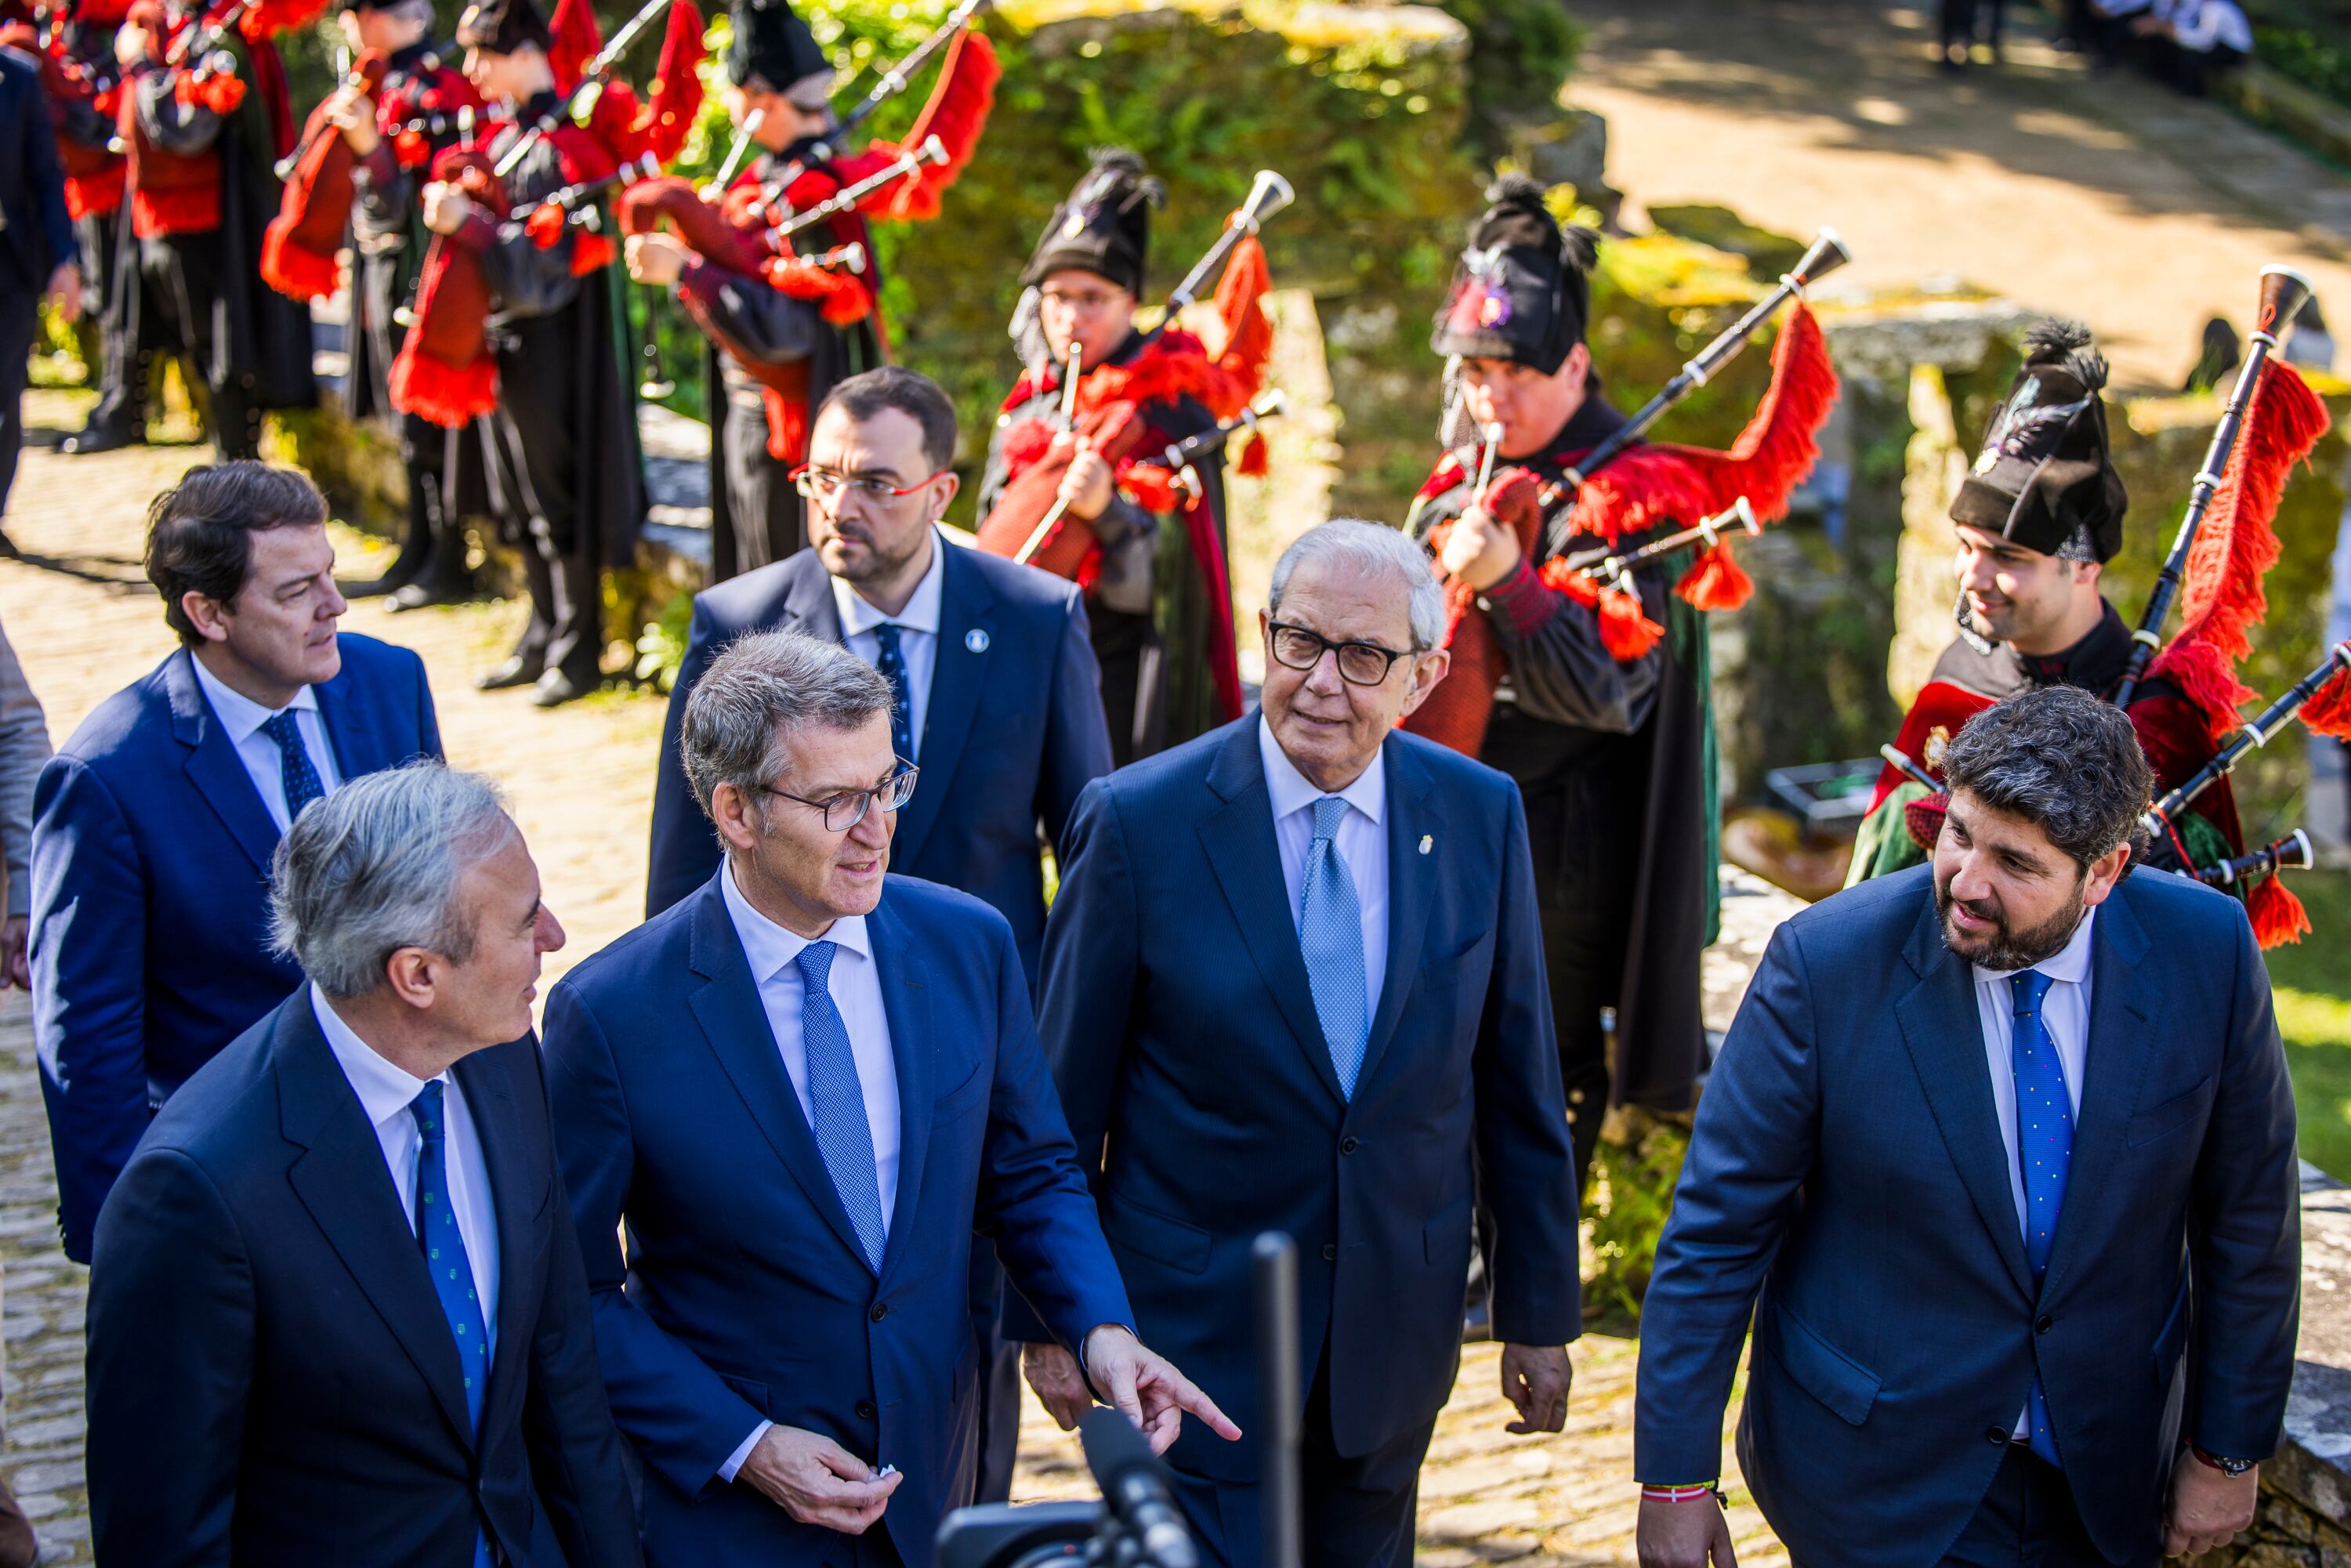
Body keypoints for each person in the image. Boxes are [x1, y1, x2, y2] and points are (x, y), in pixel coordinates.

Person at [544, 628, 1231, 1566]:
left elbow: (1029, 1174)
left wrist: (1100, 1328)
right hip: (733, 1523)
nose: (877, 828)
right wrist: (744, 1446)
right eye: (836, 801)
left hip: (935, 1485)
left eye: (886, 785)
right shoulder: (610, 1013)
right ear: (736, 811)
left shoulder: (970, 945)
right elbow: (576, 1293)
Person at [1017, 520, 1581, 1567]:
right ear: (1265, 637)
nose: (1324, 681)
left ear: (1424, 675)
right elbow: (1056, 1110)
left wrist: (1537, 1311)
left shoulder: (1477, 816)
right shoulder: (1139, 823)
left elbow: (1517, 1086)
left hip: (1391, 1345)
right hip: (1184, 1341)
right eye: (1299, 642)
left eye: (1363, 656)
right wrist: (1052, 1316)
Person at [1635, 686, 2297, 1568]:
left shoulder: (2208, 952)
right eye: (1959, 833)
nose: (1967, 882)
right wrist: (1677, 1479)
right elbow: (1717, 1234)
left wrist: (2228, 1449)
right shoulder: (1826, 964)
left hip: (2107, 1478)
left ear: (2103, 873)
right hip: (1872, 1483)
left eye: (2016, 864)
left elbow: (2251, 1222)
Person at [85, 763, 644, 1568]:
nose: (555, 937)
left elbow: (561, 1374)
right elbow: (165, 1535)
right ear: (417, 974)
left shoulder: (502, 1053)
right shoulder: (196, 1192)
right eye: (524, 923)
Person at [1403, 174, 1834, 1188]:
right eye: (1474, 373)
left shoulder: (1632, 501)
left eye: (1514, 372)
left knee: (1535, 1053)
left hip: (1562, 842)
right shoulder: (1462, 470)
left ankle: (1518, 1261)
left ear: (1577, 363)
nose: (1489, 396)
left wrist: (1510, 583)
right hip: (1451, 809)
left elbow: (1607, 691)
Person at [31, 462, 444, 1262]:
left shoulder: (393, 682)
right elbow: (89, 1039)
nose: (336, 606)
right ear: (207, 612)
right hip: (248, 1178)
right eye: (297, 592)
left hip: (420, 1132)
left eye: (330, 573)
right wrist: (131, 1243)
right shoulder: (108, 779)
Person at [646, 365, 1110, 983]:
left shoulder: (1038, 618)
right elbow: (685, 860)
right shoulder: (738, 623)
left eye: (874, 483)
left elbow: (1090, 850)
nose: (839, 506)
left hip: (986, 992)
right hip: (802, 995)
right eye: (824, 478)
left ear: (939, 494)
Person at [1846, 321, 2270, 903]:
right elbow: (1873, 893)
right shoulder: (1956, 677)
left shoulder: (2159, 728)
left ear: (2084, 566)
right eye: (1966, 546)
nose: (1971, 574)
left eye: (2007, 555)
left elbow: (2204, 941)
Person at [626, 0, 990, 585]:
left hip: (793, 434)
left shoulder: (813, 197)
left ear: (764, 99)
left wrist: (689, 274)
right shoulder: (772, 183)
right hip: (757, 417)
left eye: (737, 93)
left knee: (786, 588)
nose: (731, 106)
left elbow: (788, 331)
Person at [976, 148, 1252, 764]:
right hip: (1021, 647)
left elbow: (1175, 573)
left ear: (1131, 301)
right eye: (1056, 296)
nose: (1070, 316)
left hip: (1123, 667)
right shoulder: (1032, 396)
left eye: (1092, 297)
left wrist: (1105, 511)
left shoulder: (1173, 408)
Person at [422, 0, 642, 706]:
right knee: (518, 492)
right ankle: (543, 626)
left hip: (555, 347)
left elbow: (541, 274)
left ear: (522, 53)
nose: (471, 72)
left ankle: (578, 647)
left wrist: (474, 228)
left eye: (483, 56)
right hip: (505, 345)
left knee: (555, 493)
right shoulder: (509, 136)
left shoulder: (566, 152)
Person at [312, 0, 485, 608]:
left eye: (353, 14)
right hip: (384, 267)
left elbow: (419, 203)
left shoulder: (440, 91)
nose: (348, 28)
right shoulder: (382, 81)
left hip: (420, 273)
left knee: (428, 423)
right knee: (408, 425)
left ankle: (446, 557)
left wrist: (370, 146)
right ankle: (419, 546)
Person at [114, 0, 315, 460]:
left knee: (229, 336)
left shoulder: (227, 35)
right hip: (181, 219)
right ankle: (230, 452)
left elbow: (188, 126)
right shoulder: (190, 27)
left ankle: (239, 456)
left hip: (227, 218)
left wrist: (142, 67)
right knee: (204, 339)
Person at [0, 27, 82, 537]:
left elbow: (46, 177)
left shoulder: (20, 79)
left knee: (4, 393)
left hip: (9, 265)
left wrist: (64, 260)